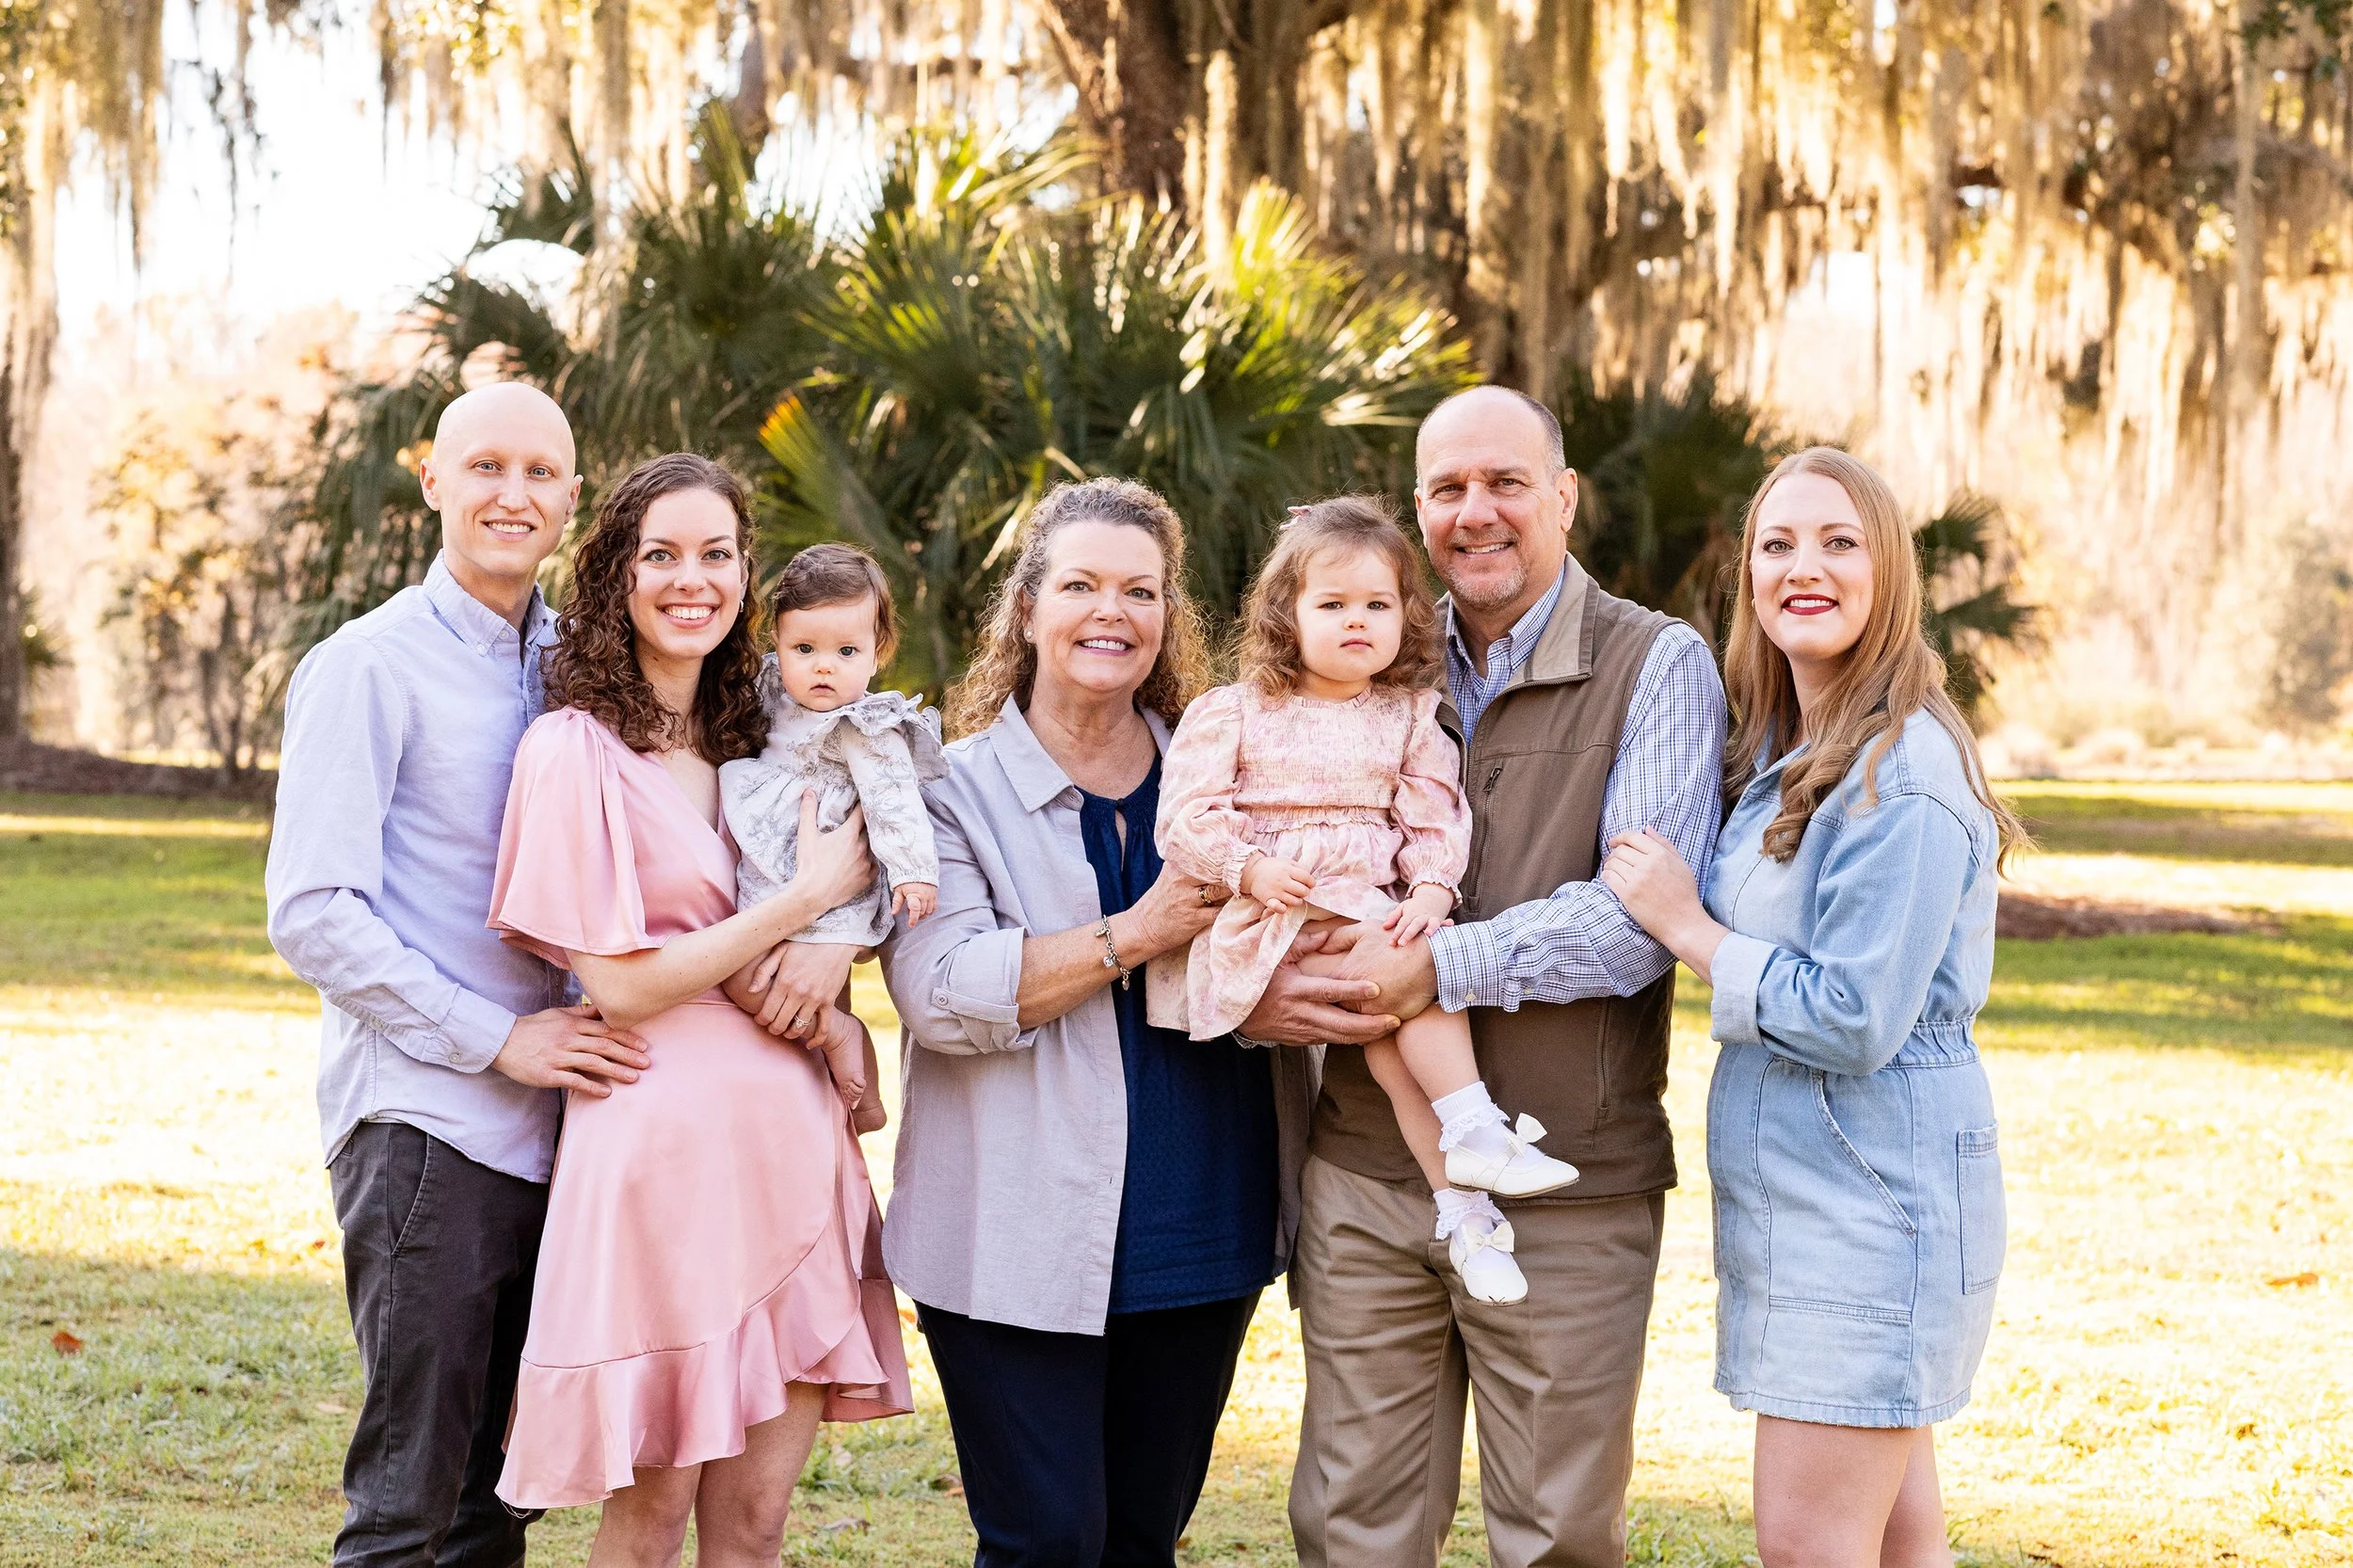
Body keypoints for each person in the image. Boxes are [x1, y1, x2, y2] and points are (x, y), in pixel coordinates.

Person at [1248, 386, 1729, 1568]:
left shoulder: (1655, 664)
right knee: (1349, 1524)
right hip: (1366, 1173)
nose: (1477, 512)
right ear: (1419, 509)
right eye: (1449, 489)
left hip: (1572, 1181)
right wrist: (1271, 992)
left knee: (1556, 1535)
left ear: (1563, 496)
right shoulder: (1362, 664)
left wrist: (1431, 965)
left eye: (1506, 482)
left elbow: (1634, 922)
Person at [879, 478, 1318, 1568]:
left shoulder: (1235, 785)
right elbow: (938, 991)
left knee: (1139, 1538)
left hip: (1200, 1223)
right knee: (1046, 1541)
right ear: (1025, 609)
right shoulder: (949, 792)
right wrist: (1138, 930)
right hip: (1008, 1234)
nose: (1109, 610)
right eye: (1078, 584)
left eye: (1140, 589)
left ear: (1169, 617)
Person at [484, 453, 911, 1562]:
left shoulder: (765, 743)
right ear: (614, 574)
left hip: (796, 1153)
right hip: (663, 1178)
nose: (692, 578)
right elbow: (620, 982)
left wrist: (840, 1010)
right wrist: (811, 898)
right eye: (660, 554)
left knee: (757, 1521)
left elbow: (838, 931)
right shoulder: (571, 749)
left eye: (716, 555)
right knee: (651, 1516)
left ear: (746, 579)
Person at [1599, 447, 2016, 1568]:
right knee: (1898, 1541)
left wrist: (1687, 926)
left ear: (1888, 571)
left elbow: (1852, 1016)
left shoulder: (1901, 775)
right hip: (1820, 1192)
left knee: (1807, 1544)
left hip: (1874, 1208)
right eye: (1777, 544)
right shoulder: (1793, 752)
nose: (1804, 567)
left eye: (1838, 542)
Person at [267, 382, 655, 1568]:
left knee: (501, 1503)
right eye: (486, 466)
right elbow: (312, 910)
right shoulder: (368, 666)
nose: (513, 494)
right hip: (431, 1131)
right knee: (408, 1507)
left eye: (541, 473)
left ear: (573, 501)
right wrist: (496, 1037)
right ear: (430, 479)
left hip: (565, 1135)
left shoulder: (580, 666)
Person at [1155, 496, 1577, 1308]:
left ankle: (1465, 1206)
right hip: (1275, 908)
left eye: (1378, 605)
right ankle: (1476, 1127)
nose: (1358, 621)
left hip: (1369, 905)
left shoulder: (1410, 717)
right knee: (1404, 996)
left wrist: (1428, 887)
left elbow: (1433, 813)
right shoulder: (1235, 712)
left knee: (1399, 1019)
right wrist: (1247, 870)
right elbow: (1187, 817)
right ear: (1288, 616)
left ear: (1406, 616)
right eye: (1334, 604)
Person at [717, 541, 948, 1119]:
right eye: (805, 648)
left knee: (754, 982)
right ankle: (847, 1077)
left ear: (877, 654)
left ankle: (849, 1049)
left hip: (835, 882)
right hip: (778, 871)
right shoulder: (771, 692)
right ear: (778, 644)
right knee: (746, 978)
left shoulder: (866, 727)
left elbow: (895, 801)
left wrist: (915, 873)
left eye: (847, 650)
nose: (824, 666)